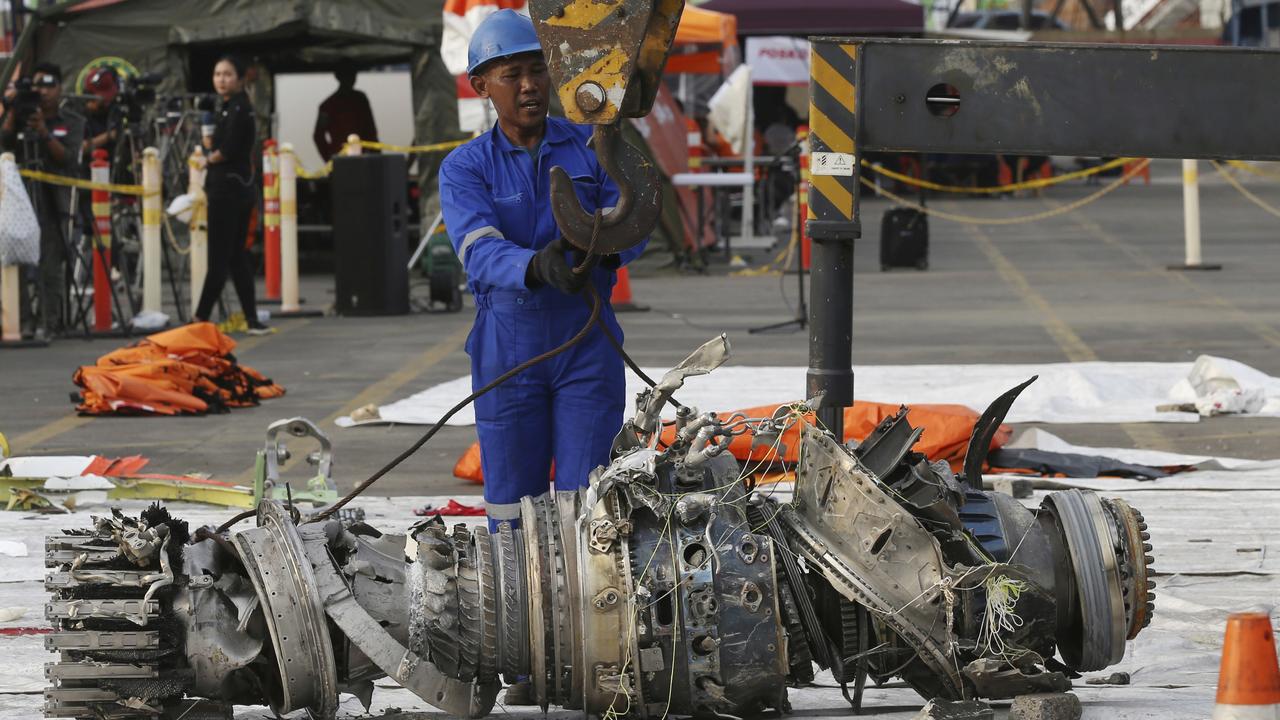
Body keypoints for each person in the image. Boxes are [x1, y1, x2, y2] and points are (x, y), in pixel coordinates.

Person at [438, 10, 645, 530]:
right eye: (512, 75)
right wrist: (535, 266)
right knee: (511, 508)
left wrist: (604, 253)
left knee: (588, 509)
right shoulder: (465, 167)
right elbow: (477, 247)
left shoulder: (592, 145)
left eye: (538, 69)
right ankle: (519, 605)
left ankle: (585, 608)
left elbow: (637, 219)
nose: (529, 86)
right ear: (482, 85)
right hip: (508, 348)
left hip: (587, 341)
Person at [1, 62, 82, 337]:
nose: (43, 92)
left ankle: (50, 321)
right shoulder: (19, 115)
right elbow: (4, 143)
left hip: (53, 200)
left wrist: (44, 132)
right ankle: (21, 320)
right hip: (18, 201)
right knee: (15, 260)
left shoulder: (71, 120)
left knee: (50, 264)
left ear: (60, 88)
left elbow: (69, 159)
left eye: (50, 85)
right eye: (38, 85)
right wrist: (12, 112)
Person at [193, 54, 269, 335]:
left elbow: (230, 149)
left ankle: (199, 319)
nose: (221, 80)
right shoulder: (224, 107)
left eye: (227, 74)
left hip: (229, 190)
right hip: (230, 188)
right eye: (217, 74)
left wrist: (209, 158)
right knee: (237, 257)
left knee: (219, 258)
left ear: (239, 79)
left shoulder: (240, 109)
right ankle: (252, 319)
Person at [312, 63, 378, 161]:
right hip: (341, 158)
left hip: (363, 158)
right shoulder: (328, 106)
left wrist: (376, 154)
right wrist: (330, 160)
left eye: (352, 74)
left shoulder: (360, 100)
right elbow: (318, 136)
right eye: (347, 74)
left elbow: (371, 130)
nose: (351, 78)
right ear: (338, 76)